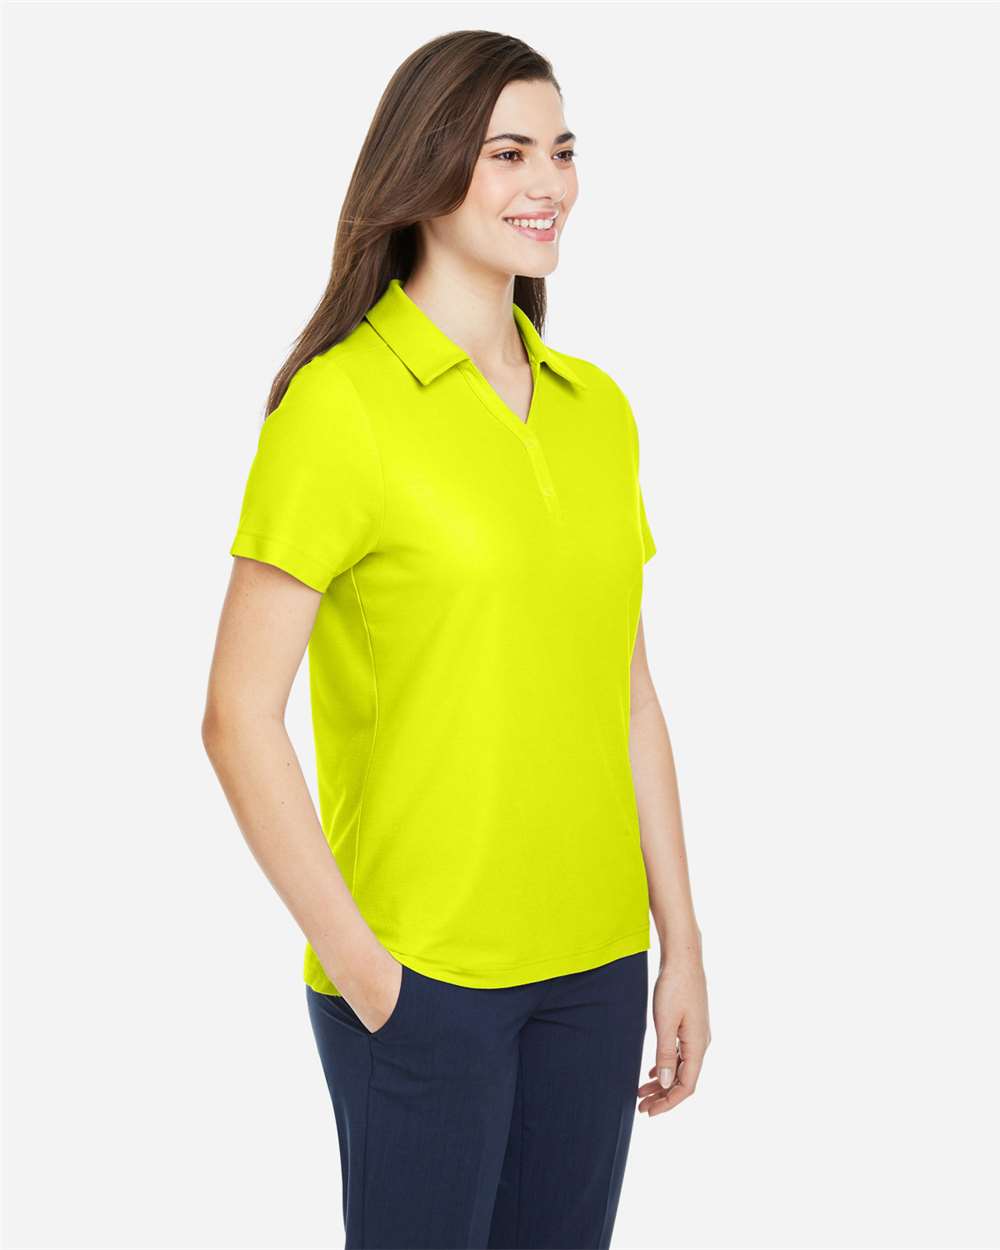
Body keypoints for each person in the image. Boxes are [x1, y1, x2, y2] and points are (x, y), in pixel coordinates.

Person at [202, 29, 710, 1250]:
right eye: (508, 152)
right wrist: (369, 972)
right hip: (423, 980)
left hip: (595, 969)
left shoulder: (597, 409)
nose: (549, 183)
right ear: (425, 168)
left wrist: (680, 941)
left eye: (563, 152)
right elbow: (235, 716)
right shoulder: (339, 406)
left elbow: (628, 695)